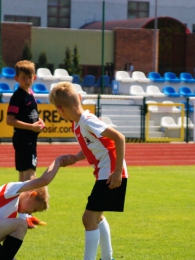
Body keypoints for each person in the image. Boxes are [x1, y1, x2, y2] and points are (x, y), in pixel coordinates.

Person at [48, 82, 128, 260]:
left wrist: (116, 172)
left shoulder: (87, 120)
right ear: (79, 98)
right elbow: (94, 147)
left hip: (110, 173)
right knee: (97, 217)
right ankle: (108, 258)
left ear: (59, 109)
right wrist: (76, 157)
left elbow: (119, 138)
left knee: (88, 218)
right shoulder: (77, 124)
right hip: (105, 172)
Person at [0, 157, 64, 260]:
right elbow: (44, 180)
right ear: (32, 194)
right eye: (34, 208)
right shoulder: (11, 190)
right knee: (21, 224)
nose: (31, 213)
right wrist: (58, 161)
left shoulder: (12, 212)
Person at [6, 60, 45, 228]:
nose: (27, 80)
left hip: (29, 139)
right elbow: (10, 120)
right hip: (24, 140)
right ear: (16, 78)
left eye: (29, 77)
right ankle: (26, 215)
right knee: (29, 175)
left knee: (24, 176)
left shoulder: (30, 93)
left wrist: (39, 122)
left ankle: (22, 214)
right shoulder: (17, 97)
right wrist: (31, 127)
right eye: (23, 77)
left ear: (34, 77)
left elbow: (33, 115)